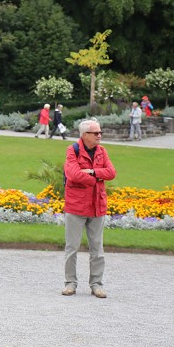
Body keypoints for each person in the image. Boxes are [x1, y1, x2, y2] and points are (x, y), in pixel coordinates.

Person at [62, 118, 117, 298]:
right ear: (85, 135)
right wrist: (95, 180)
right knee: (72, 247)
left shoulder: (102, 151)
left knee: (97, 249)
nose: (100, 135)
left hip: (97, 206)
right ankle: (70, 283)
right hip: (76, 206)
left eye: (100, 132)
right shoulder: (73, 150)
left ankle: (96, 284)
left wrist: (93, 172)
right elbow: (72, 174)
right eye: (96, 133)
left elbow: (111, 173)